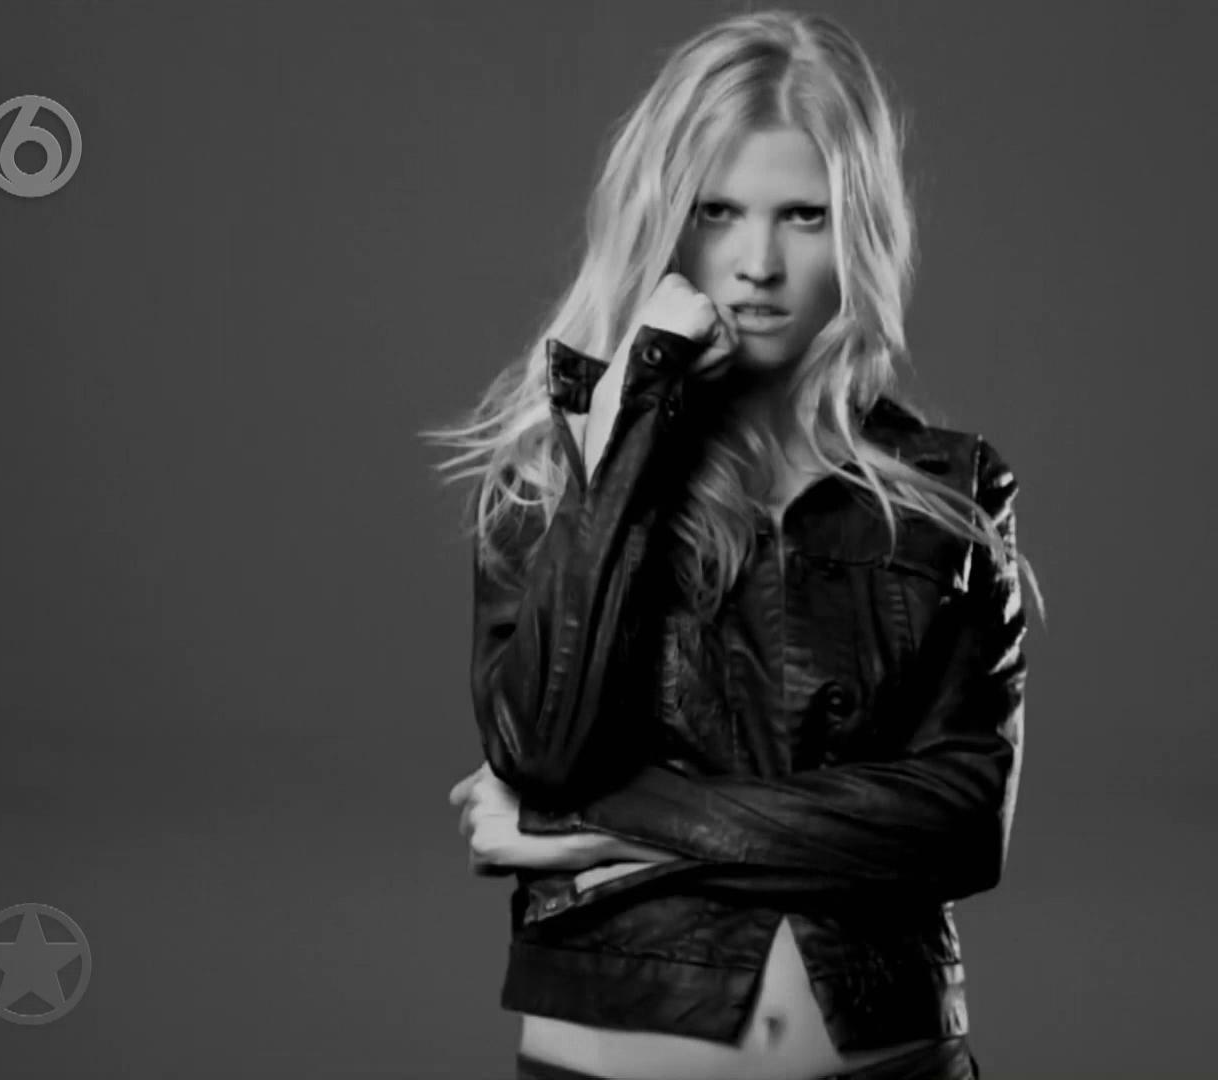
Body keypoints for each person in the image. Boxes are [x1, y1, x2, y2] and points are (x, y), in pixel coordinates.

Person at [430, 11, 1042, 1080]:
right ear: (666, 219)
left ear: (861, 229)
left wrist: (609, 824)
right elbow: (541, 752)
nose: (758, 263)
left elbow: (959, 829)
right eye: (718, 212)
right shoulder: (556, 468)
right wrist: (634, 427)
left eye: (804, 215)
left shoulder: (952, 491)